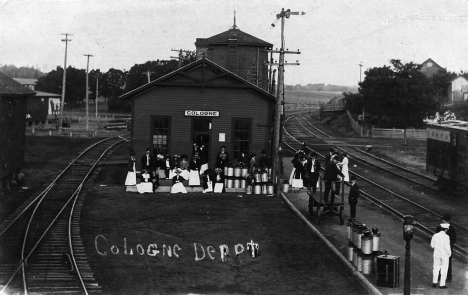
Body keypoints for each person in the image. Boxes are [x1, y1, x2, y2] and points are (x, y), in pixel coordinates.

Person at [436, 214, 456, 283]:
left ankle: (446, 277)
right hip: (444, 248)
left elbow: (454, 239)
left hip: (446, 248)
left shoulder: (450, 228)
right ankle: (444, 277)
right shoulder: (440, 228)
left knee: (445, 263)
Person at [431, 223, 452, 289]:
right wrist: (449, 253)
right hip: (444, 255)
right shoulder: (446, 237)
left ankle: (434, 282)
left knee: (436, 268)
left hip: (436, 254)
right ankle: (442, 284)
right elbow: (447, 247)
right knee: (444, 269)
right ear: (446, 229)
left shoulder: (435, 235)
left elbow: (432, 245)